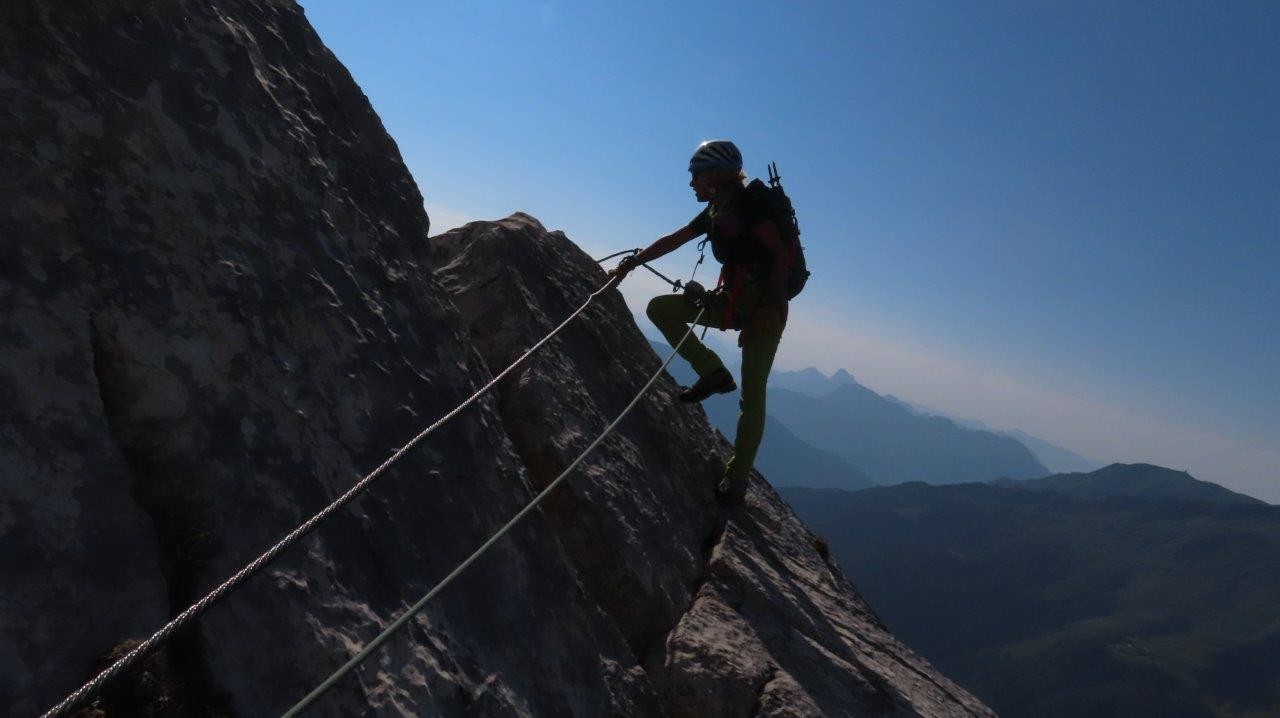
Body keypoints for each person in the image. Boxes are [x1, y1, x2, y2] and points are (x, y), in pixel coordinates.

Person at [608, 140, 793, 506]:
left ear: (715, 175)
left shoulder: (750, 205)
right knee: (661, 308)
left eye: (696, 175)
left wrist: (771, 305)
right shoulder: (715, 210)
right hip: (732, 303)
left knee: (753, 394)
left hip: (765, 310)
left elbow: (782, 256)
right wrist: (633, 262)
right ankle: (712, 371)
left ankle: (737, 479)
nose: (692, 182)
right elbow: (675, 239)